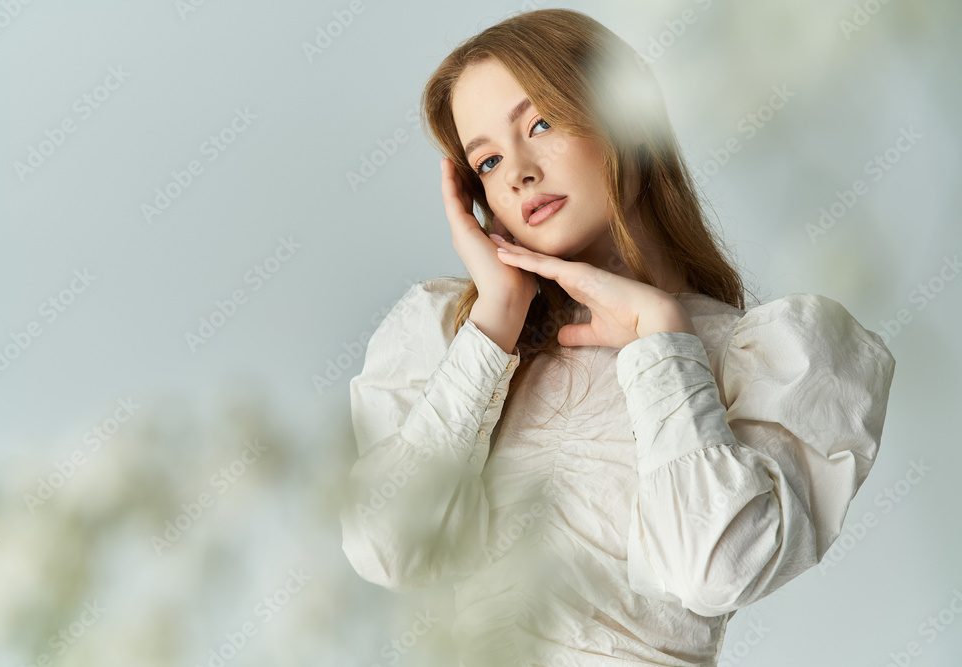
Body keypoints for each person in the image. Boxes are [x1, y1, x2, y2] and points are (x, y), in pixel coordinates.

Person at [340, 8, 895, 666]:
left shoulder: (767, 357)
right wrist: (493, 323)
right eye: (486, 160)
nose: (516, 171)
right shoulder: (456, 339)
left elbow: (713, 571)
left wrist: (662, 343)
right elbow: (387, 549)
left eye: (539, 123)